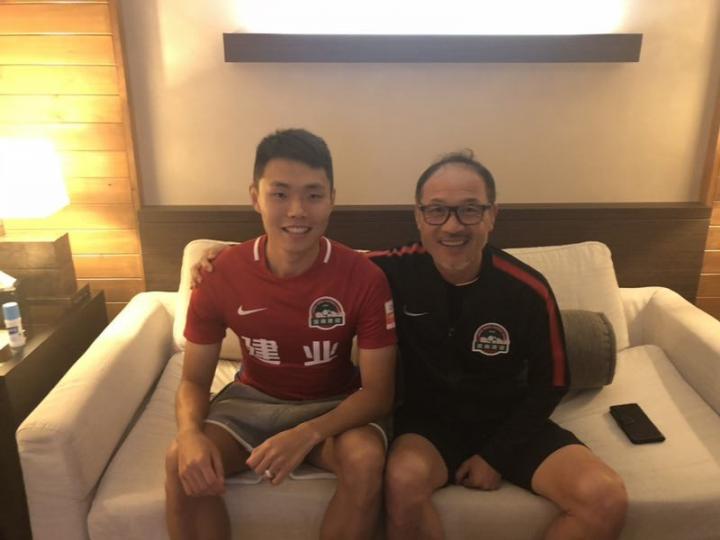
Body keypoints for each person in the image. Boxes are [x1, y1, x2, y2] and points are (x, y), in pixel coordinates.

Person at [193, 150, 628, 540]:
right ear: (419, 217)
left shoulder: (528, 289)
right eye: (436, 211)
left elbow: (552, 383)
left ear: (492, 215)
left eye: (469, 210)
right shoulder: (387, 270)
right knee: (401, 482)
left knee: (605, 498)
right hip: (427, 425)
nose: (452, 225)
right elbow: (312, 258)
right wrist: (231, 257)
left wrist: (496, 455)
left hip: (509, 422)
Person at [165, 128, 397, 540]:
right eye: (280, 194)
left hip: (334, 403)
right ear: (255, 197)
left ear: (331, 199)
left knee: (365, 461)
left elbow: (379, 392)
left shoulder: (364, 277)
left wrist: (306, 434)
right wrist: (188, 434)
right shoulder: (220, 273)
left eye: (313, 195)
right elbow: (194, 380)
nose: (297, 211)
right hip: (252, 400)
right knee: (180, 460)